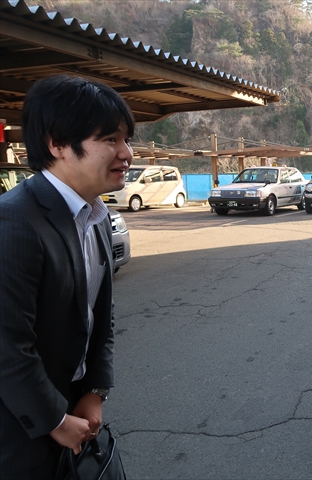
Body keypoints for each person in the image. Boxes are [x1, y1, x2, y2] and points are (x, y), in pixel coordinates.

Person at [0, 75, 134, 478]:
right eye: (109, 139)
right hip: (21, 427)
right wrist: (55, 420)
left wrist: (95, 390)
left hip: (78, 409)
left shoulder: (97, 215)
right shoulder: (14, 221)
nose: (126, 153)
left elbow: (99, 316)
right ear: (57, 144)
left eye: (126, 139)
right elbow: (8, 345)